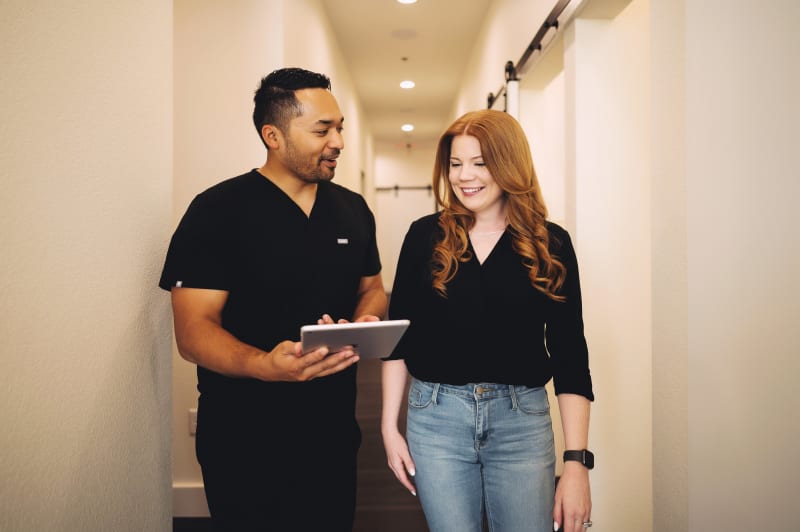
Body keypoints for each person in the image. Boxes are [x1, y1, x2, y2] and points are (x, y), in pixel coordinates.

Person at [159, 67, 387, 531]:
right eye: (322, 129)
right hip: (244, 436)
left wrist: (360, 326)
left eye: (340, 126)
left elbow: (373, 288)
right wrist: (265, 364)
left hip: (333, 431)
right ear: (273, 136)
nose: (338, 141)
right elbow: (193, 331)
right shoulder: (216, 211)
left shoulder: (352, 209)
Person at [381, 109, 594, 532]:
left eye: (480, 163)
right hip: (436, 417)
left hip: (522, 421)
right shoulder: (425, 236)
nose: (465, 176)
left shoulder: (550, 244)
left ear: (509, 164)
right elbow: (398, 339)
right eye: (456, 164)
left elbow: (571, 355)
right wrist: (389, 426)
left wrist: (577, 464)